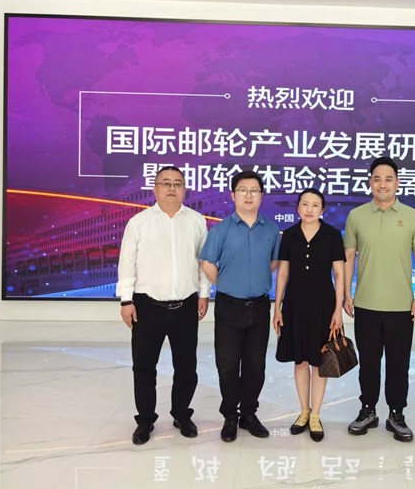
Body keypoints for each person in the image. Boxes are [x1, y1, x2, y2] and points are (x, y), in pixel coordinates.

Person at [116, 166, 211, 445]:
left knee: (186, 366)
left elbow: (203, 262)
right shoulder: (139, 222)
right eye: (165, 183)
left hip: (186, 305)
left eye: (177, 183)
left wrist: (204, 294)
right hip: (147, 307)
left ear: (184, 189)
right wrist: (126, 300)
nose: (171, 188)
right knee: (144, 367)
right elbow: (126, 263)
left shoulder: (196, 221)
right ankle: (145, 420)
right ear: (155, 188)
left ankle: (182, 414)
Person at [343, 156, 415, 442]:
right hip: (365, 304)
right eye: (377, 179)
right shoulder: (357, 216)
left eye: (388, 179)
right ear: (370, 182)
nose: (383, 184)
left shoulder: (413, 217)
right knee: (368, 362)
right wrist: (346, 294)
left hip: (401, 306)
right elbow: (348, 257)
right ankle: (367, 410)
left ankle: (396, 414)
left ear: (397, 183)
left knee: (398, 364)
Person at [200, 170, 281, 442]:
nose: (248, 195)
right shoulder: (221, 230)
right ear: (233, 195)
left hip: (259, 307)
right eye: (243, 190)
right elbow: (207, 262)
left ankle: (248, 414)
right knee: (227, 365)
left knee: (256, 365)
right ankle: (230, 416)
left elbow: (273, 262)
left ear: (261, 196)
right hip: (229, 307)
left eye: (254, 190)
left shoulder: (271, 230)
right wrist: (226, 282)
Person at [272, 189, 345, 442]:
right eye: (305, 204)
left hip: (323, 305)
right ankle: (303, 411)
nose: (309, 209)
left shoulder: (332, 235)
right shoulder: (290, 235)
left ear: (322, 210)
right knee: (300, 360)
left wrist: (338, 310)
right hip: (294, 305)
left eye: (315, 205)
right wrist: (277, 306)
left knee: (319, 361)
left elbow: (339, 274)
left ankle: (316, 415)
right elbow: (283, 273)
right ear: (297, 208)